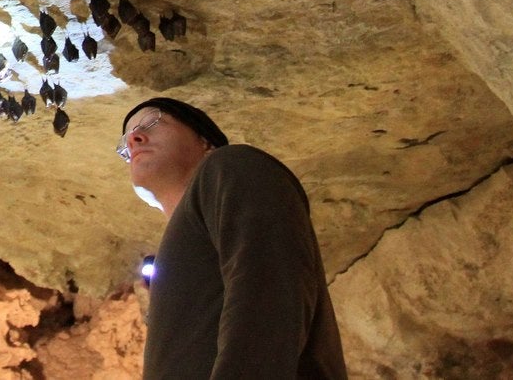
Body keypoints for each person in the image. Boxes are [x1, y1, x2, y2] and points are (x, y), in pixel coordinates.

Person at [119, 97, 348, 380]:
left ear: (205, 141)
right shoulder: (179, 252)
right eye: (125, 144)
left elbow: (268, 288)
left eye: (152, 123)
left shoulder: (231, 165)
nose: (134, 140)